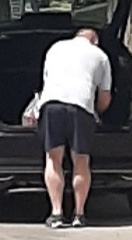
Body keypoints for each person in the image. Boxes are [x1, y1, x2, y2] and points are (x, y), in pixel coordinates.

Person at [32, 20, 111, 227]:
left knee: (53, 159)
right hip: (81, 107)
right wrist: (98, 113)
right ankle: (79, 214)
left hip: (51, 105)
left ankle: (56, 213)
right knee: (81, 161)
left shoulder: (55, 48)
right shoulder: (100, 56)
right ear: (94, 41)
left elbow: (46, 80)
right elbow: (104, 98)